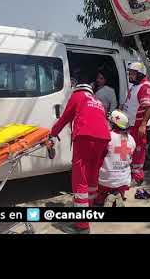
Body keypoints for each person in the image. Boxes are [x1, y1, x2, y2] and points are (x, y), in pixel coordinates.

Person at [50, 71, 110, 234]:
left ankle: (82, 225)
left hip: (85, 137)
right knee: (92, 176)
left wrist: (52, 133)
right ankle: (88, 210)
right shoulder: (97, 101)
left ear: (76, 88)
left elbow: (64, 118)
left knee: (80, 178)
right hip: (104, 138)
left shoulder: (77, 96)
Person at [121, 62, 150, 186]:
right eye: (129, 73)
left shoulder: (146, 86)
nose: (130, 76)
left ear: (140, 74)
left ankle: (137, 176)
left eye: (133, 73)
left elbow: (149, 107)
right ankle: (129, 175)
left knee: (138, 151)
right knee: (127, 150)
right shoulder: (135, 86)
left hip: (137, 126)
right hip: (129, 125)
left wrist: (143, 124)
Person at [95, 110, 136, 208]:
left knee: (98, 199)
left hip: (105, 180)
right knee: (120, 188)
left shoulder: (107, 136)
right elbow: (130, 159)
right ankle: (117, 194)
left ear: (113, 124)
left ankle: (105, 197)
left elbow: (99, 156)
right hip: (124, 180)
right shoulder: (131, 139)